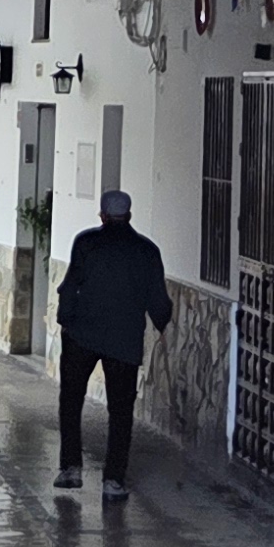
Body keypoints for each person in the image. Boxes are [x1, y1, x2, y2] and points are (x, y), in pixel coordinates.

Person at [51, 185, 171, 505]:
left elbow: (71, 284)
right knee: (120, 410)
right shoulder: (147, 251)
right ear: (128, 215)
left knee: (71, 400)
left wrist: (66, 320)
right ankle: (113, 480)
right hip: (123, 340)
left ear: (102, 215)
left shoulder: (86, 243)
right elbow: (157, 299)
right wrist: (163, 324)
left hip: (82, 336)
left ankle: (71, 468)